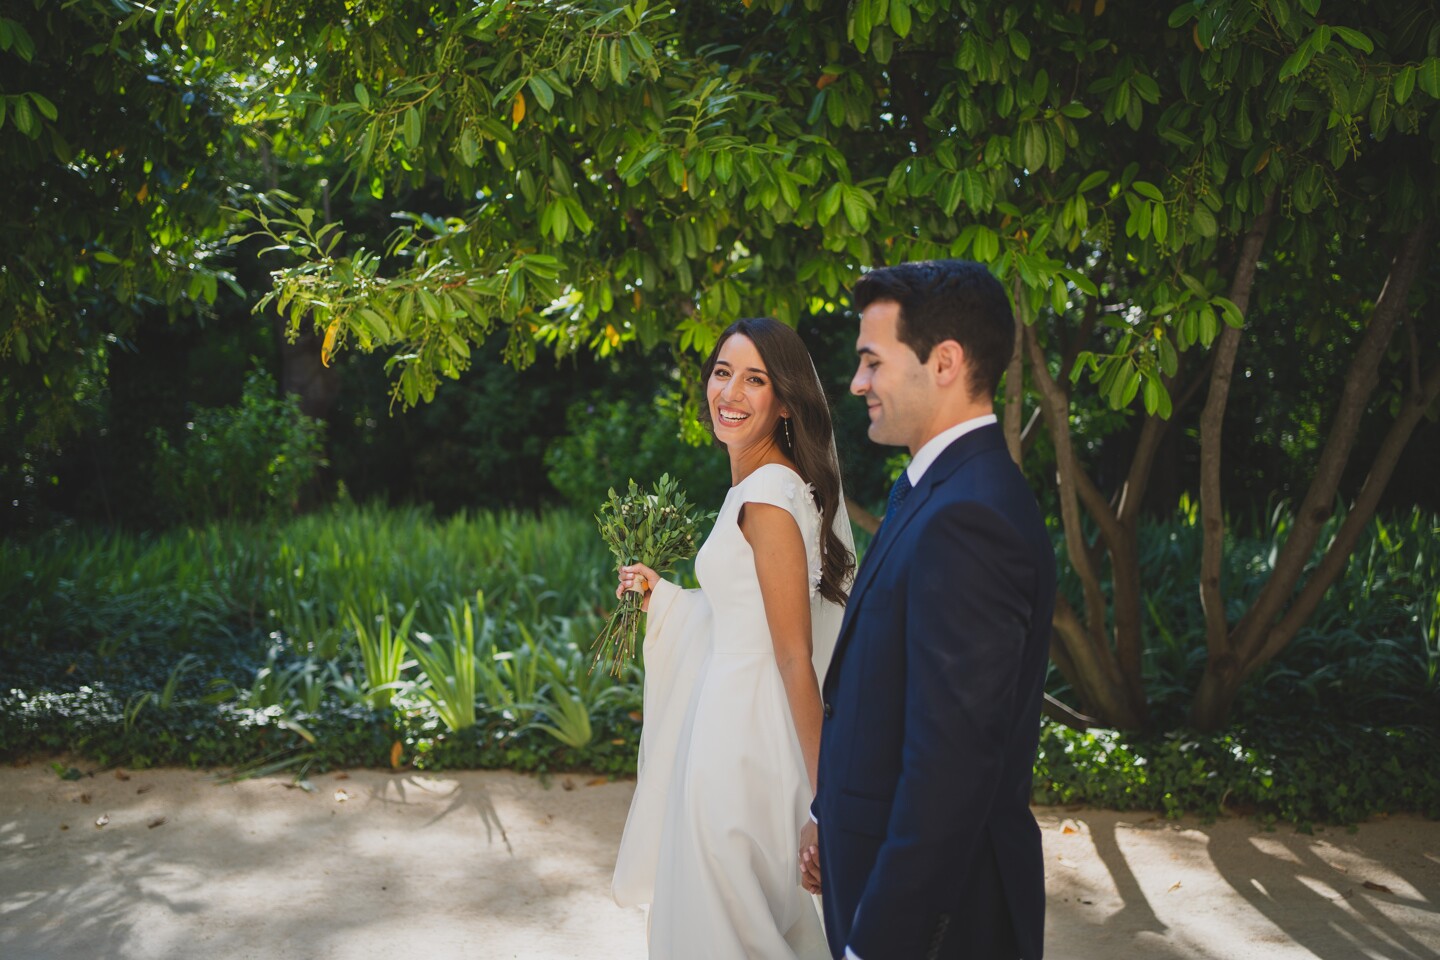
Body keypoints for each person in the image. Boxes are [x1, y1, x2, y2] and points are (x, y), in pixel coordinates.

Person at [801, 260, 1057, 960]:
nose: (858, 384)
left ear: (944, 362)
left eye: (872, 361)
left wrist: (878, 946)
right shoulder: (933, 490)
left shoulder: (971, 515)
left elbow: (951, 767)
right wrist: (834, 816)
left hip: (938, 928)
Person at [611, 316, 857, 959]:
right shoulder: (757, 487)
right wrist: (662, 595)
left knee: (727, 922)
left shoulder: (769, 497)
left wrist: (824, 800)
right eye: (723, 373)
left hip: (736, 754)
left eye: (755, 379)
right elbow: (740, 618)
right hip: (725, 733)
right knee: (732, 918)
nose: (731, 392)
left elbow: (794, 657)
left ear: (784, 403)